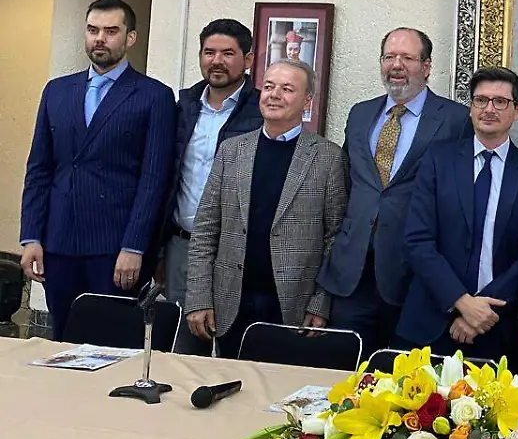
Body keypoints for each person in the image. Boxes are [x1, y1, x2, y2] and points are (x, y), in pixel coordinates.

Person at [19, 0, 176, 340]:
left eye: (111, 31)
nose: (100, 38)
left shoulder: (154, 96)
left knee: (109, 346)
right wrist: (31, 236)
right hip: (58, 243)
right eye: (93, 30)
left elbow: (153, 180)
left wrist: (134, 247)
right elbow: (39, 169)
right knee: (62, 342)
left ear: (130, 37)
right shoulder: (57, 91)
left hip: (115, 249)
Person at [318, 27, 472, 355]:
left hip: (413, 277)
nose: (396, 65)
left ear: (426, 66)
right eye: (389, 57)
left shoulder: (456, 120)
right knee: (347, 372)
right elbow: (347, 183)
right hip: (353, 274)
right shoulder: (360, 113)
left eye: (407, 58)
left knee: (407, 376)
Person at [184, 60, 346, 359]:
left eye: (287, 89)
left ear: (307, 100)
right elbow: (205, 230)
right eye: (269, 86)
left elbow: (335, 240)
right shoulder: (232, 150)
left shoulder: (328, 157)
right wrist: (199, 297)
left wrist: (320, 303)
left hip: (294, 305)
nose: (274, 95)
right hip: (230, 300)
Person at [398, 67, 518, 375]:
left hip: (498, 326)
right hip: (433, 322)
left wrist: (482, 310)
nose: (489, 109)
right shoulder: (438, 160)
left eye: (500, 101)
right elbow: (418, 241)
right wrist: (461, 302)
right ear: (470, 107)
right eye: (481, 100)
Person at [158, 19, 262, 353]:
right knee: (182, 351)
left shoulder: (262, 111)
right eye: (209, 52)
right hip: (182, 246)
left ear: (248, 59)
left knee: (235, 350)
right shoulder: (182, 107)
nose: (216, 61)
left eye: (228, 53)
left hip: (236, 252)